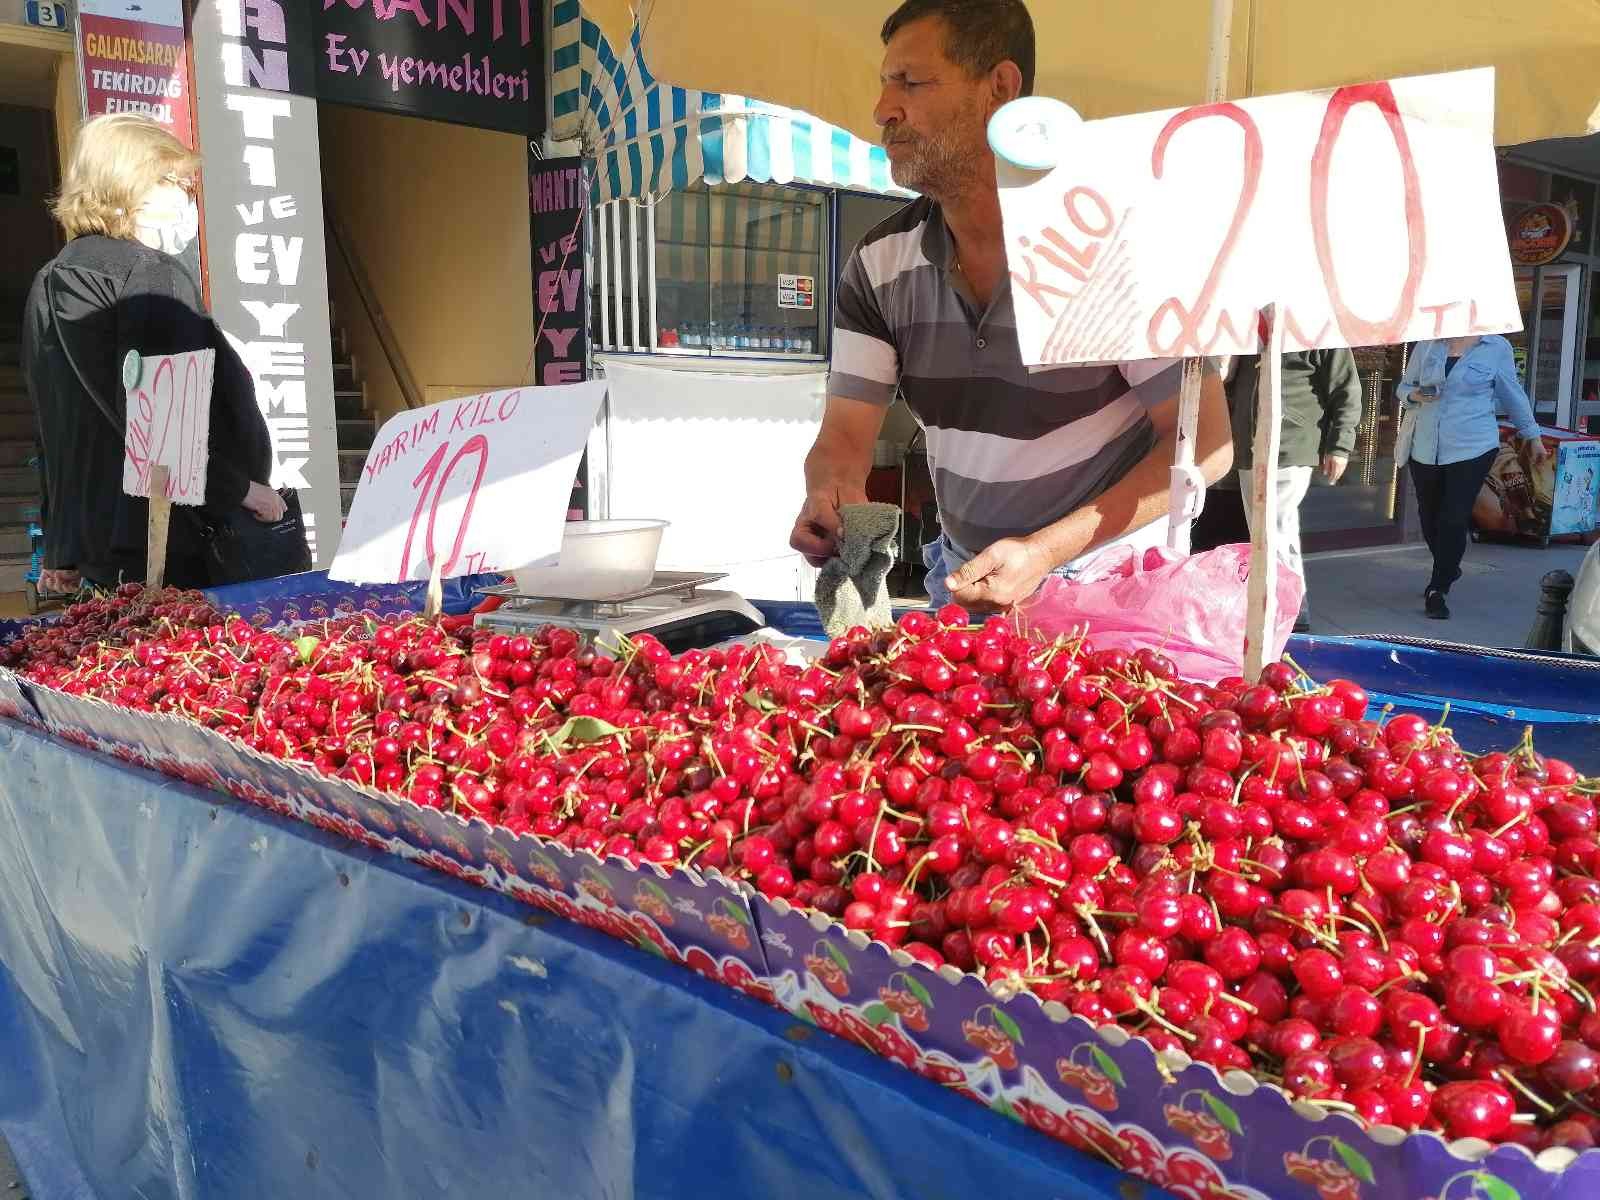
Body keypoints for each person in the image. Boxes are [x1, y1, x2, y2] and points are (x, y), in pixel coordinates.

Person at [788, 0, 1232, 611]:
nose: (883, 109)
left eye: (910, 82)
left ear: (999, 88)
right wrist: (830, 493)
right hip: (963, 579)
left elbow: (1204, 444)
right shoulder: (879, 263)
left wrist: (1046, 551)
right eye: (885, 84)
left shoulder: (1102, 244)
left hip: (1111, 592)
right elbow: (844, 433)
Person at [21, 113, 283, 594]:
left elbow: (54, 429)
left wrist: (61, 543)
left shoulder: (50, 280)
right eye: (176, 180)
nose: (186, 195)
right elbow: (168, 433)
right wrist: (246, 491)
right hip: (177, 543)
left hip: (103, 546)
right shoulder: (150, 274)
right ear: (131, 180)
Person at [1395, 334, 1547, 620]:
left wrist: (1533, 436)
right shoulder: (1428, 344)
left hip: (1473, 446)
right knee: (1430, 518)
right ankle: (1449, 565)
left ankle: (1438, 588)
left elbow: (1511, 393)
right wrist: (1414, 395)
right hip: (1425, 445)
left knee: (1453, 517)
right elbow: (1403, 388)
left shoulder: (1496, 347)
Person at [1221, 350, 1363, 632]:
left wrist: (1340, 445)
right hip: (1250, 446)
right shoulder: (1248, 323)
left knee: (1275, 527)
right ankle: (1277, 603)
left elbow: (1346, 387)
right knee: (1261, 529)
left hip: (1289, 444)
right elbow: (1229, 380)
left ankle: (1289, 606)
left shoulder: (1316, 327)